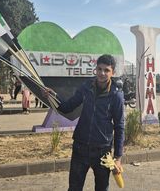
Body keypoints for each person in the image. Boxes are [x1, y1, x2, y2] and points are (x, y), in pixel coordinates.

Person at [42, 54, 124, 191]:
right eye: (99, 69)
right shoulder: (87, 87)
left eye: (106, 70)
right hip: (80, 147)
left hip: (103, 151)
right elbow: (68, 107)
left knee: (102, 188)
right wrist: (53, 96)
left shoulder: (116, 96)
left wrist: (118, 157)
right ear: (95, 69)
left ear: (113, 73)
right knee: (74, 188)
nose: (102, 73)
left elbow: (120, 126)